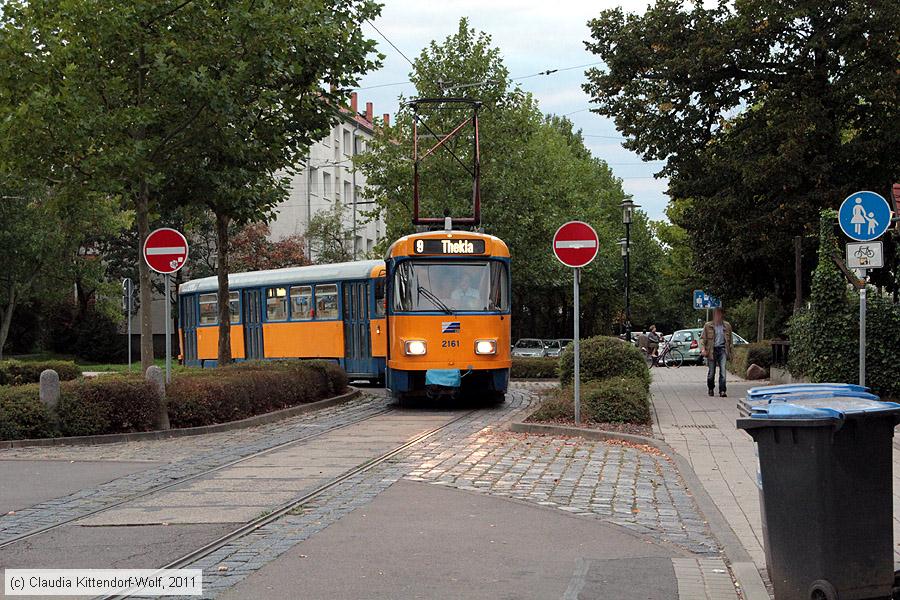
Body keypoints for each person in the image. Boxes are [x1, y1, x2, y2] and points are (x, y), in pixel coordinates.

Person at [700, 307, 733, 397]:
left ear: (722, 315)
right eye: (716, 314)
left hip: (722, 350)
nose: (718, 316)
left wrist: (730, 354)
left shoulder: (727, 326)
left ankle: (722, 390)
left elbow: (730, 342)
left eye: (719, 314)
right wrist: (703, 349)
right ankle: (711, 388)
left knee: (723, 371)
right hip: (712, 351)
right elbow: (703, 339)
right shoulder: (708, 326)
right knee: (711, 373)